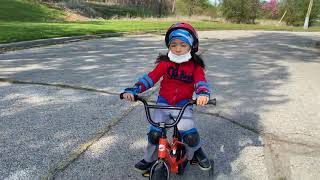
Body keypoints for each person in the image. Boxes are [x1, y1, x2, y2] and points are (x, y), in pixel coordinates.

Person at [122, 22, 212, 173]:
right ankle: (149, 159)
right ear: (169, 46)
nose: (178, 49)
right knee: (155, 133)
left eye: (183, 45)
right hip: (163, 103)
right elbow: (151, 78)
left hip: (183, 104)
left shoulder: (195, 66)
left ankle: (196, 151)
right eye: (174, 44)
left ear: (191, 46)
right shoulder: (164, 64)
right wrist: (135, 89)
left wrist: (203, 94)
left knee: (189, 134)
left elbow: (201, 82)